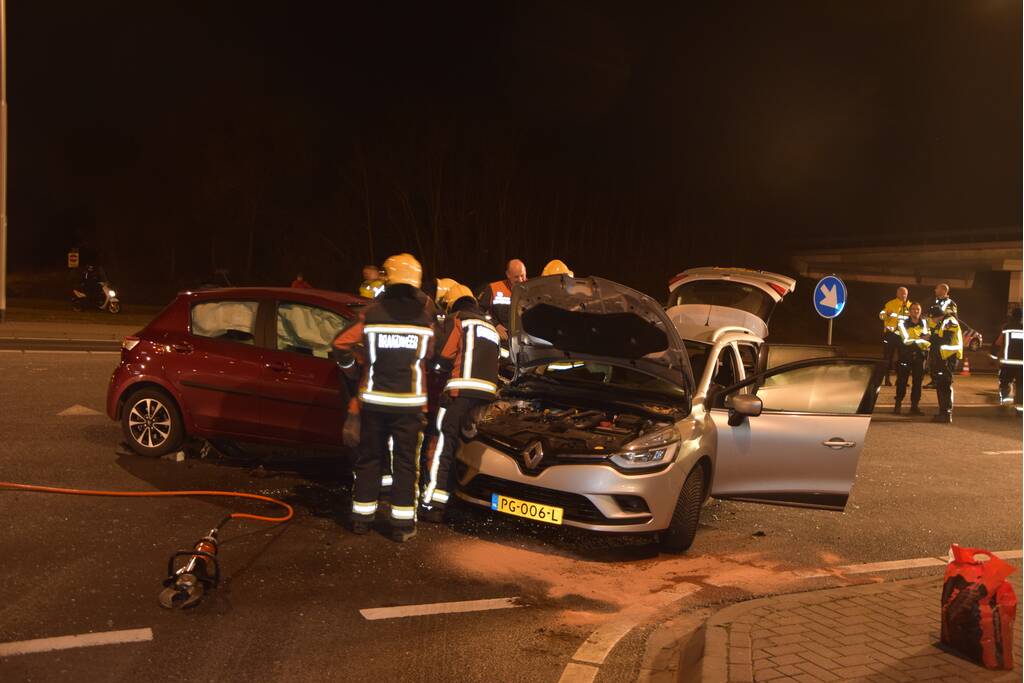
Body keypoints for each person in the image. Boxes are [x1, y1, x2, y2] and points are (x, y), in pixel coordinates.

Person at [333, 253, 435, 542]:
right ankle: (402, 526)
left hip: (374, 401)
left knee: (370, 458)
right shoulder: (426, 320)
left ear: (387, 279)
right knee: (405, 463)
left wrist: (352, 369)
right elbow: (430, 356)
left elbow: (340, 345)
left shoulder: (371, 313)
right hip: (411, 405)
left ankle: (361, 519)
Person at [420, 284, 501, 523]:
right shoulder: (490, 327)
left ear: (453, 305)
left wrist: (436, 369)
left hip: (459, 391)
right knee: (461, 448)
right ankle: (454, 497)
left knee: (442, 445)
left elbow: (445, 355)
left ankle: (432, 503)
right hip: (486, 397)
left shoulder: (459, 320)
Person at [926, 302, 963, 423]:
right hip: (943, 358)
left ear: (937, 316)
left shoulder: (949, 321)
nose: (932, 320)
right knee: (941, 385)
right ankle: (943, 412)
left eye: (933, 318)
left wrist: (929, 338)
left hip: (949, 358)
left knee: (945, 385)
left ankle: (946, 414)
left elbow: (946, 340)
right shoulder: (943, 322)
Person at [894, 302, 930, 415]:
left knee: (917, 383)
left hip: (919, 357)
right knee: (902, 382)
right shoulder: (902, 323)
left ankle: (914, 407)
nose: (916, 311)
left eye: (918, 309)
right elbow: (905, 340)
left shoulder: (924, 322)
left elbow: (928, 338)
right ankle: (897, 405)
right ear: (909, 312)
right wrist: (920, 339)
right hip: (905, 356)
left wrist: (918, 339)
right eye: (913, 309)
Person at [476, 259, 527, 339]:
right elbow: (479, 310)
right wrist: (495, 325)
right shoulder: (493, 288)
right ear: (508, 274)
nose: (520, 280)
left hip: (525, 342)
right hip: (502, 340)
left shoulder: (532, 289)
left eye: (522, 275)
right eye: (516, 277)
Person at [990, 308, 1023, 412]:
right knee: (1020, 385)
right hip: (1021, 363)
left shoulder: (1007, 327)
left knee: (1004, 382)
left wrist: (994, 354)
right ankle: (1020, 408)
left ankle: (1004, 403)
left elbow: (998, 343)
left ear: (1012, 315)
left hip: (1008, 363)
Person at [878, 286, 912, 387]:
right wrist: (887, 314)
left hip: (903, 336)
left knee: (903, 359)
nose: (903, 294)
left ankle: (900, 380)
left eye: (905, 293)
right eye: (901, 292)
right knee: (888, 358)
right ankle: (886, 379)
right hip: (890, 335)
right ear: (897, 293)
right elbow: (881, 316)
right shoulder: (890, 304)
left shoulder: (910, 306)